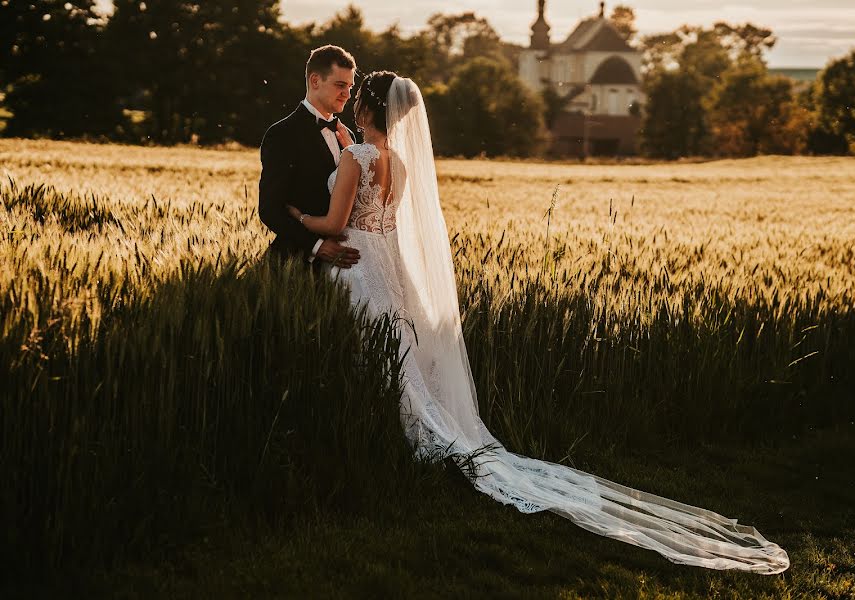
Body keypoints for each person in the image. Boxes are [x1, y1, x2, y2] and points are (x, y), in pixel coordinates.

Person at [290, 70, 790, 574]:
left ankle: (388, 442)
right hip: (390, 267)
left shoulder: (356, 157)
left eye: (358, 101)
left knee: (374, 357)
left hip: (357, 266)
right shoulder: (399, 162)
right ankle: (415, 436)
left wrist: (298, 218)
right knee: (402, 357)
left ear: (368, 110)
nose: (351, 105)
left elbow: (336, 224)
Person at [258, 44, 360, 269]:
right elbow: (269, 209)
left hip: (347, 266)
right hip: (296, 264)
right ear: (315, 81)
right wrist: (317, 246)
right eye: (340, 85)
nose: (348, 94)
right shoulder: (282, 134)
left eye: (350, 87)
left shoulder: (348, 136)